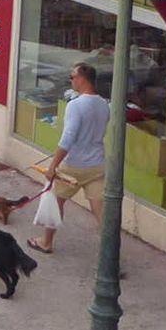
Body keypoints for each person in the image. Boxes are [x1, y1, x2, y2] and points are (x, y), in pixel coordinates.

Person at [33, 61, 109, 254]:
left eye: (72, 77)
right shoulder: (104, 104)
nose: (71, 80)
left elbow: (68, 139)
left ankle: (46, 242)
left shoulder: (75, 105)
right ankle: (110, 253)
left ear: (82, 79)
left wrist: (53, 167)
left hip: (74, 165)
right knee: (100, 210)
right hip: (97, 164)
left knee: (55, 201)